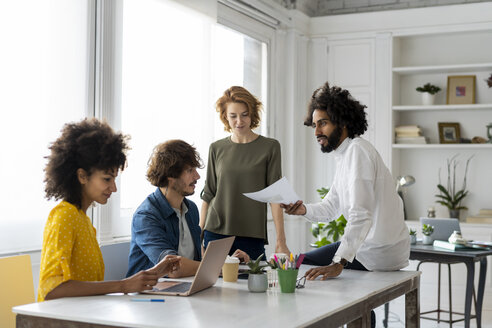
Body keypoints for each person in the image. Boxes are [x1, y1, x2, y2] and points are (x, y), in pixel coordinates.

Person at [38, 118, 180, 302]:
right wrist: (123, 285)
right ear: (82, 176)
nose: (113, 188)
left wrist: (152, 273)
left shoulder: (82, 219)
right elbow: (51, 289)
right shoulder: (64, 216)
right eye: (107, 179)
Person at [282, 82, 410, 279]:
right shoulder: (345, 155)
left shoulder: (357, 151)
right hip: (369, 247)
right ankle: (364, 311)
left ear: (342, 123)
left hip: (378, 251)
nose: (316, 132)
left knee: (300, 264)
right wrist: (303, 210)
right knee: (300, 261)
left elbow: (361, 214)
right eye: (314, 125)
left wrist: (338, 263)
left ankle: (359, 310)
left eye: (323, 123)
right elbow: (331, 208)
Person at [126, 140, 249, 278]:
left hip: (185, 287)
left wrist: (229, 261)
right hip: (151, 293)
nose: (197, 176)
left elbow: (195, 263)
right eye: (190, 170)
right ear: (170, 175)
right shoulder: (146, 216)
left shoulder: (191, 209)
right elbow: (172, 267)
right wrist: (221, 266)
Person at [200, 86, 290, 260]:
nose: (239, 121)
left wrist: (281, 240)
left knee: (255, 284)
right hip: (215, 232)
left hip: (252, 234)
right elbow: (209, 193)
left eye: (244, 114)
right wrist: (199, 233)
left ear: (253, 114)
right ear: (225, 116)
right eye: (233, 116)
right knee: (215, 286)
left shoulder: (270, 147)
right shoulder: (216, 148)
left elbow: (275, 196)